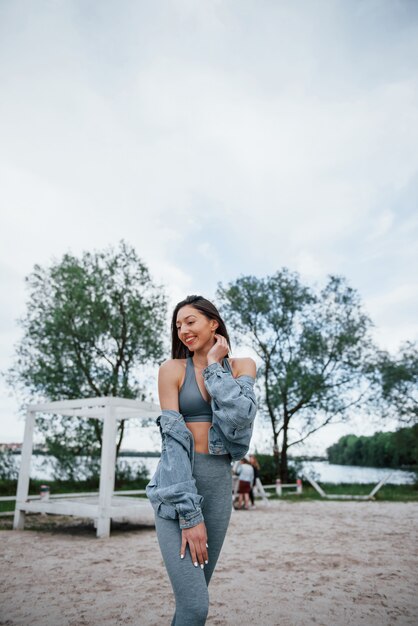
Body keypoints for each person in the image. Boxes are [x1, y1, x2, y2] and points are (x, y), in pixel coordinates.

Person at [146, 295, 257, 625]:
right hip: (177, 484)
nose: (182, 330)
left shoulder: (243, 365)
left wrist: (212, 366)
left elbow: (241, 414)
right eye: (178, 325)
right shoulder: (171, 370)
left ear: (213, 323)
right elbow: (173, 440)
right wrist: (189, 513)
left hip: (219, 487)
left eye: (190, 321)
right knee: (195, 606)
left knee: (193, 599)